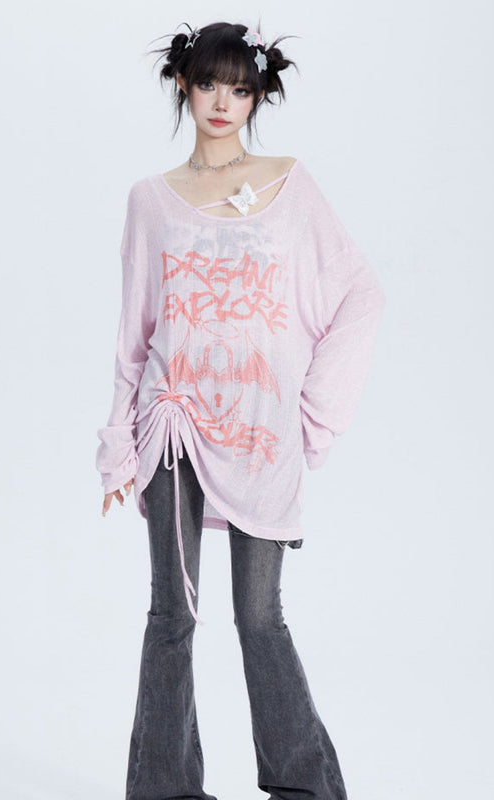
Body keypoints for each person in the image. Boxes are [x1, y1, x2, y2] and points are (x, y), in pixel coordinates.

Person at [95, 19, 386, 800]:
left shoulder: (291, 185)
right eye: (208, 84)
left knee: (260, 618)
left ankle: (305, 787)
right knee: (172, 615)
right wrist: (117, 446)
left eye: (240, 89)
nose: (222, 103)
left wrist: (312, 412)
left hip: (260, 435)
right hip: (172, 427)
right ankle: (163, 790)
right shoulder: (150, 201)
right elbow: (134, 334)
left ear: (257, 96)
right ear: (183, 85)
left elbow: (359, 294)